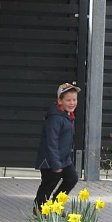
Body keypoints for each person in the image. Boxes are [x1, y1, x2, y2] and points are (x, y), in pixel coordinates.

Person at [34, 82, 79, 212]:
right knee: (49, 184)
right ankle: (39, 208)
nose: (72, 103)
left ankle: (55, 204)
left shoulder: (67, 116)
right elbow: (51, 142)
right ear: (60, 101)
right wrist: (56, 164)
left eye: (74, 99)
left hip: (63, 158)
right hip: (50, 160)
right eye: (68, 100)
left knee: (72, 179)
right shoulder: (55, 118)